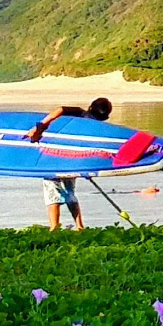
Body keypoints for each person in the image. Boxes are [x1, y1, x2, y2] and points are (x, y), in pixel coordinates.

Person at [27, 98, 112, 229]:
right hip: (71, 161)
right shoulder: (97, 128)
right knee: (70, 192)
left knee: (52, 192)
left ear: (90, 107)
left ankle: (54, 227)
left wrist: (41, 126)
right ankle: (79, 226)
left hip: (53, 158)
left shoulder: (79, 113)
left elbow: (61, 109)